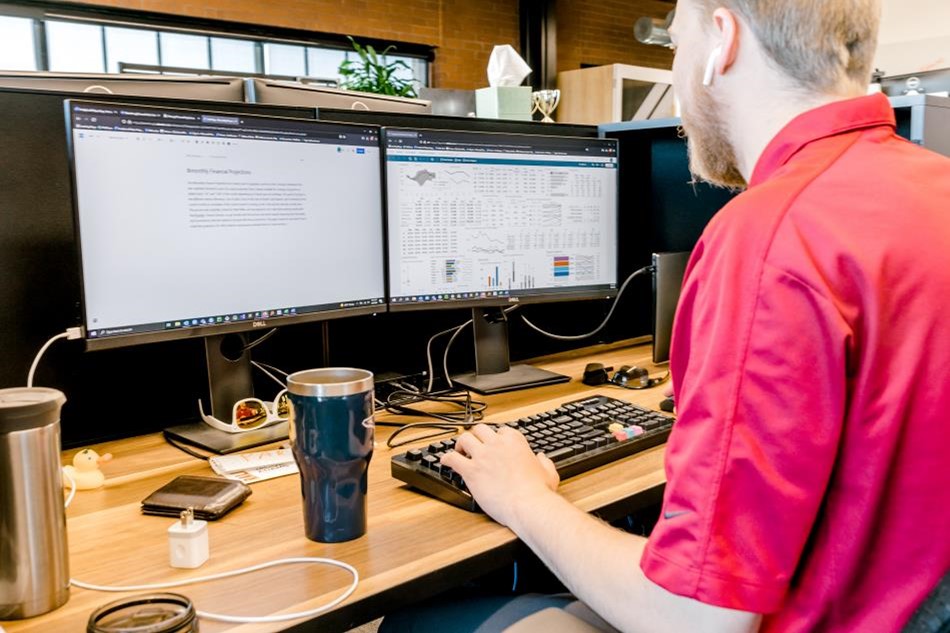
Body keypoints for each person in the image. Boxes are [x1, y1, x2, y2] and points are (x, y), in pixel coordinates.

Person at [381, 0, 950, 630]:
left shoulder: (773, 238)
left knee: (416, 623)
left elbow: (694, 621)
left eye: (674, 47)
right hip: (889, 597)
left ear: (721, 42)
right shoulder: (935, 187)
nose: (676, 78)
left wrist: (521, 497)